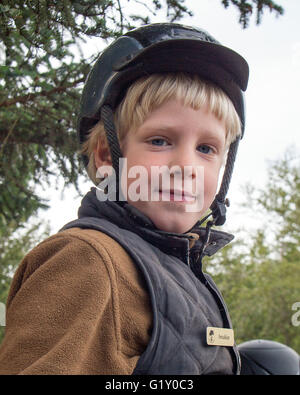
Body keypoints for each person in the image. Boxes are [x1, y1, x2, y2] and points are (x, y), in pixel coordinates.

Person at [0, 23, 249, 375]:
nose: (187, 166)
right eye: (160, 141)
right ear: (106, 155)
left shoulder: (178, 267)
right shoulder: (86, 260)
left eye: (207, 148)